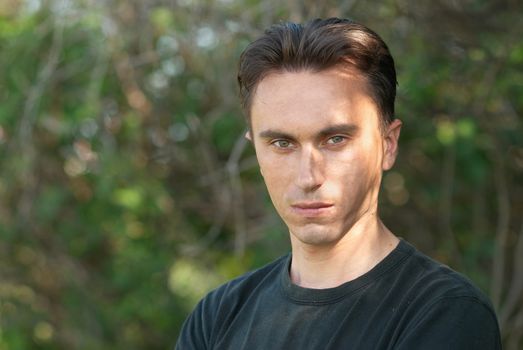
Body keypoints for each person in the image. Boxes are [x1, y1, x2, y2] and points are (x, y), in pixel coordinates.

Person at [175, 18, 501, 349]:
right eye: (282, 144)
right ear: (256, 149)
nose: (308, 177)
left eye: (335, 139)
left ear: (388, 144)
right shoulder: (217, 318)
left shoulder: (444, 312)